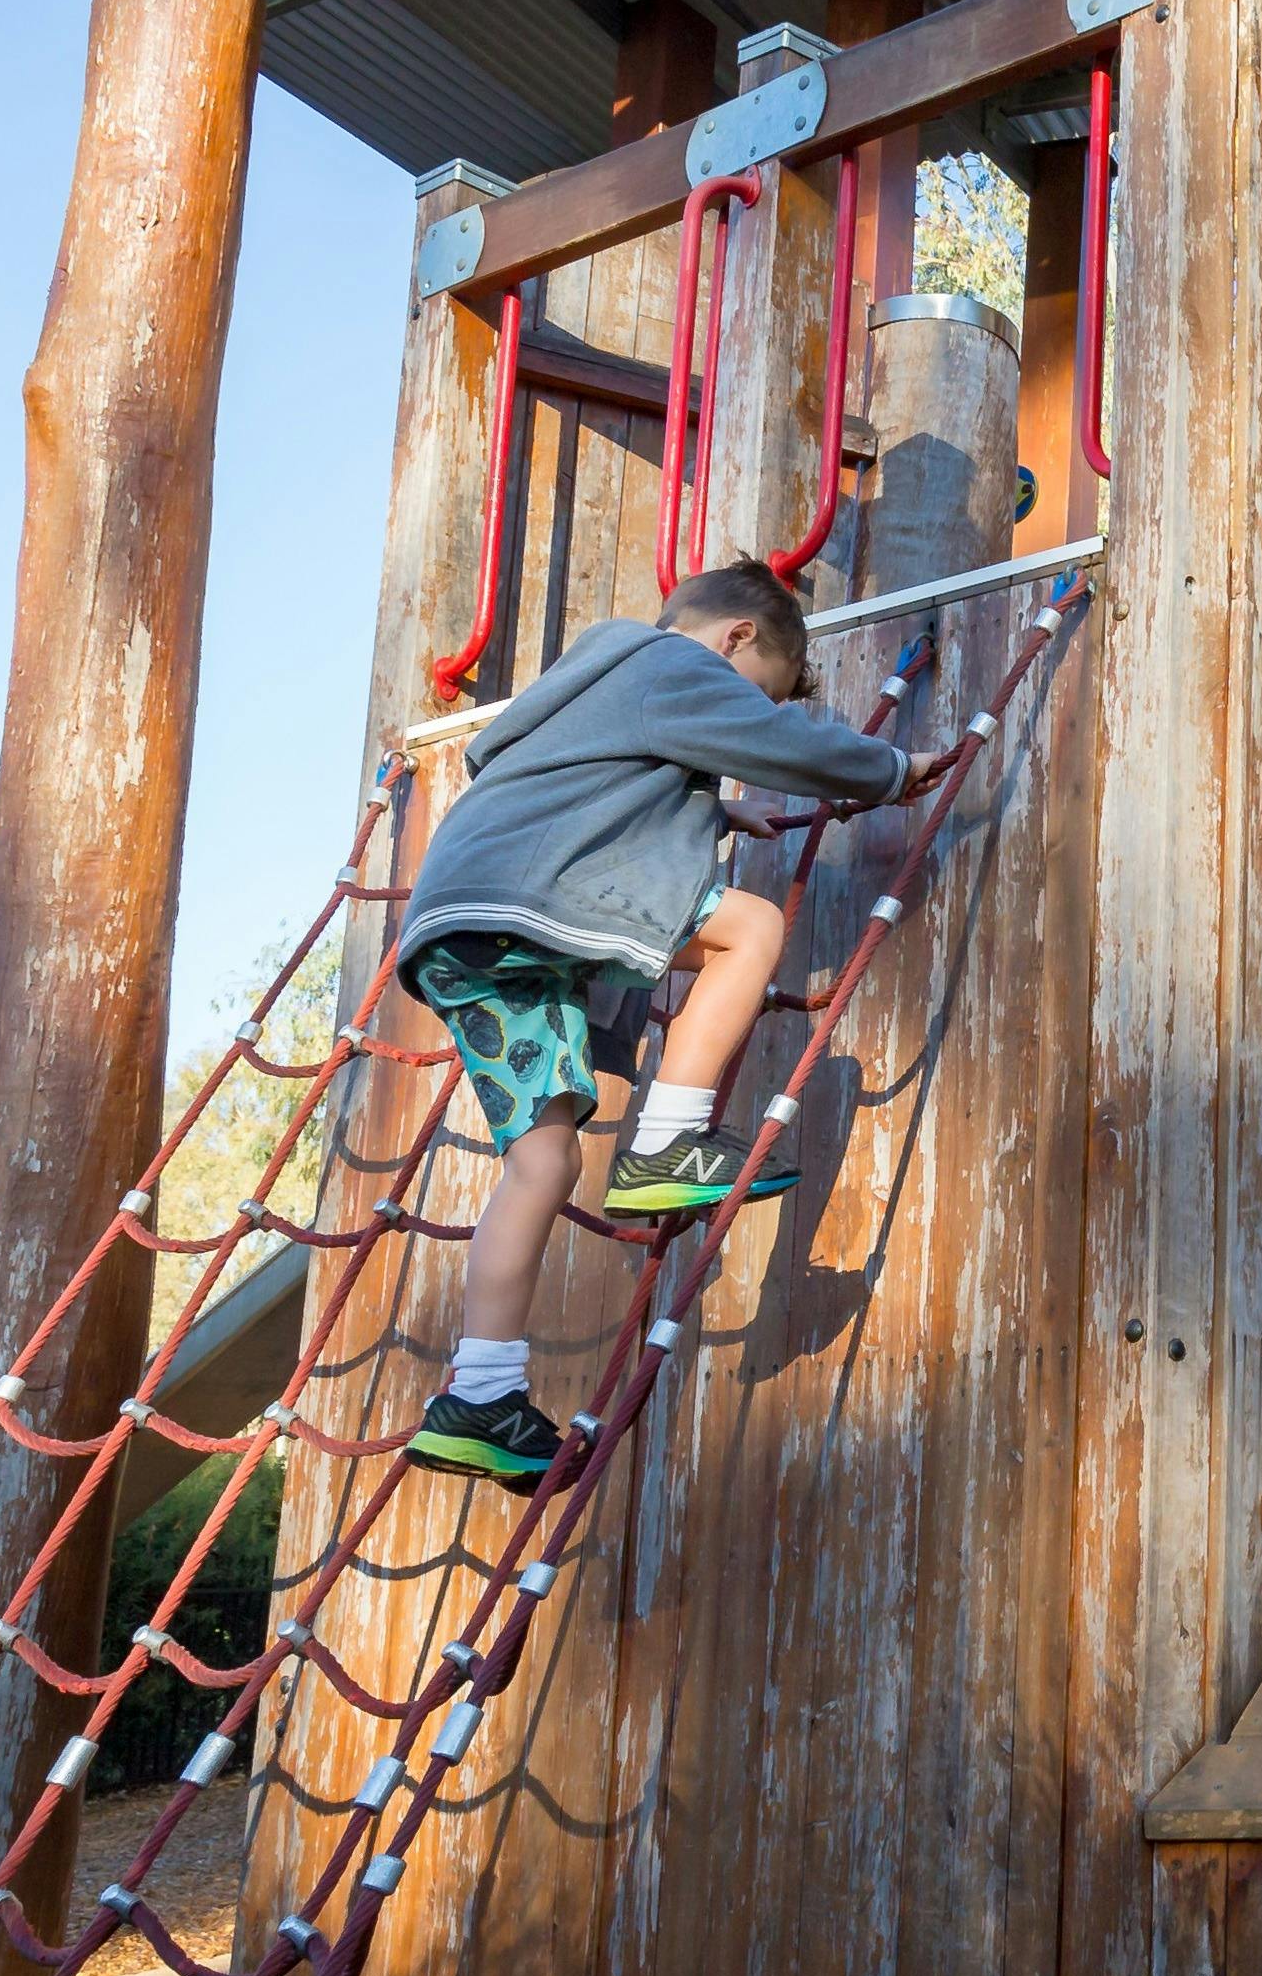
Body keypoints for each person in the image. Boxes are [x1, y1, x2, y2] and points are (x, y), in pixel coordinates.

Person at [389, 557, 911, 1480]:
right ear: (735, 638)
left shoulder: (581, 691)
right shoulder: (669, 662)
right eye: (759, 690)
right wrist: (892, 770)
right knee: (746, 927)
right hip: (533, 895)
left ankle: (479, 1395)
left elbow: (596, 784)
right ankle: (668, 1144)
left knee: (541, 1159)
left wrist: (706, 805)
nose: (743, 710)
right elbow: (779, 743)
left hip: (458, 929)